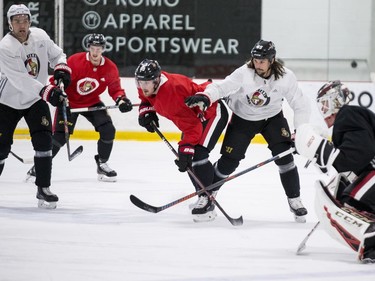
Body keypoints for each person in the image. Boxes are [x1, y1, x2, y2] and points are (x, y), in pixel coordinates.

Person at [185, 40, 311, 223]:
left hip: (273, 119)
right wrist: (206, 96)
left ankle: (294, 200)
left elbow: (300, 104)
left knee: (285, 157)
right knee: (228, 163)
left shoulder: (286, 76)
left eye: (262, 61)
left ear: (272, 60)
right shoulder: (244, 73)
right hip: (243, 119)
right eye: (255, 60)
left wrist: (300, 132)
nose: (257, 64)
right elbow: (222, 87)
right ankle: (207, 195)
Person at [26, 33, 133, 182]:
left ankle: (102, 164)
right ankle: (38, 167)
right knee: (60, 137)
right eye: (93, 48)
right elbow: (57, 80)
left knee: (108, 129)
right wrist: (57, 90)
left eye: (99, 48)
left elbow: (115, 89)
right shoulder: (76, 61)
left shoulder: (110, 67)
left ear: (103, 49)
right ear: (88, 48)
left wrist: (121, 99)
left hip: (92, 102)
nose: (95, 52)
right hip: (69, 102)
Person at [135, 59, 229, 222]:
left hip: (212, 112)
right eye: (140, 81)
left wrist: (185, 148)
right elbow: (146, 99)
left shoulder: (171, 92)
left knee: (198, 153)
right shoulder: (148, 87)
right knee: (189, 157)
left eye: (147, 82)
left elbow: (193, 126)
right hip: (193, 119)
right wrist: (147, 112)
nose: (143, 86)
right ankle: (203, 195)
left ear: (157, 79)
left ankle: (207, 201)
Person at [295, 80, 375, 263]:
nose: (323, 110)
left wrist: (322, 151)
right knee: (348, 197)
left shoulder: (348, 115)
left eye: (325, 104)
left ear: (336, 101)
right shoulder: (350, 119)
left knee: (351, 199)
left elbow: (358, 155)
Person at [0, 4, 71, 209]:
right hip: (8, 101)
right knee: (2, 148)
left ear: (30, 21)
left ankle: (44, 188)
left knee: (44, 142)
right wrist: (47, 91)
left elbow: (58, 55)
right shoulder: (5, 47)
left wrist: (61, 69)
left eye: (25, 20)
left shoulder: (40, 36)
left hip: (35, 100)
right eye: (17, 21)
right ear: (10, 24)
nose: (21, 25)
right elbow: (20, 80)